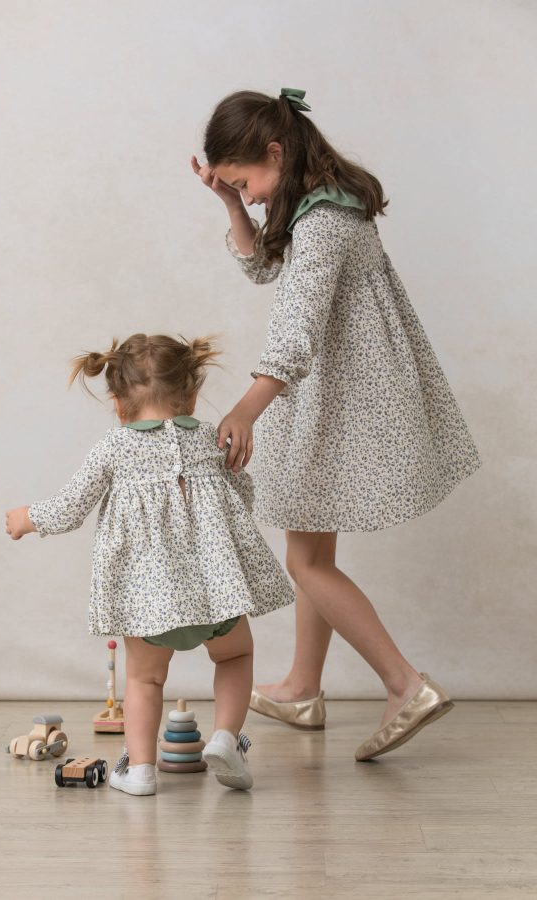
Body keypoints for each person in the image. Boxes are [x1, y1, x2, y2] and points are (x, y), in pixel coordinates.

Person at [191, 88, 481, 761]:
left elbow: (295, 332)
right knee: (312, 548)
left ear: (275, 151)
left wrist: (244, 408)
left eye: (247, 182)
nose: (253, 197)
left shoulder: (323, 224)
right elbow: (265, 268)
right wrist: (232, 204)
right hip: (331, 392)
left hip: (338, 398)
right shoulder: (319, 205)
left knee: (306, 559)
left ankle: (404, 683)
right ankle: (301, 686)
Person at [5, 332, 295, 793]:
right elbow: (244, 495)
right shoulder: (212, 439)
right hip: (216, 594)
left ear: (118, 405)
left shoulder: (113, 448)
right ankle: (225, 738)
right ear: (193, 396)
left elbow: (70, 508)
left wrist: (27, 518)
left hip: (149, 604)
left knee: (144, 679)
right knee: (236, 654)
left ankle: (140, 770)